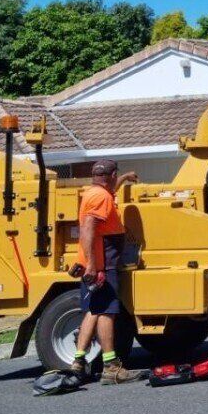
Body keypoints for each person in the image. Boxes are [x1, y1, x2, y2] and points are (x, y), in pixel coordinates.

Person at [72, 159, 142, 384]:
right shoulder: (101, 198)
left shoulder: (95, 193)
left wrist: (124, 178)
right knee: (106, 312)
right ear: (111, 176)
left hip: (95, 262)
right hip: (102, 264)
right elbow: (88, 229)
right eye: (116, 176)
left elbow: (110, 190)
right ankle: (111, 367)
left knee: (93, 310)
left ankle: (78, 361)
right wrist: (94, 265)